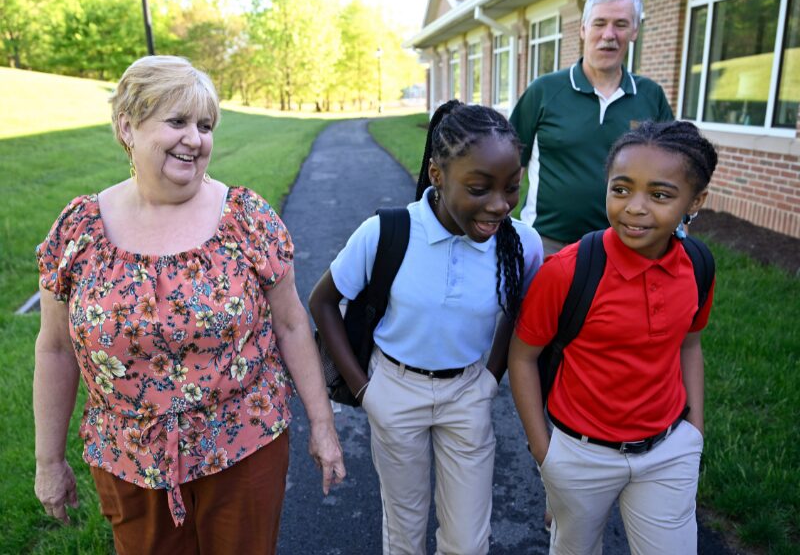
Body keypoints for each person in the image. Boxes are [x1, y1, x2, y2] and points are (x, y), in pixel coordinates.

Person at [33, 55, 345, 554]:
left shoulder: (245, 218)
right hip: (130, 460)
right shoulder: (80, 231)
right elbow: (54, 350)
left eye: (204, 125)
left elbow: (289, 323)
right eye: (176, 122)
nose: (195, 139)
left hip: (244, 447)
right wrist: (49, 461)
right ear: (127, 128)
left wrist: (323, 425)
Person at [309, 101, 543, 554]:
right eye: (479, 188)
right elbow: (322, 302)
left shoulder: (521, 244)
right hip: (394, 391)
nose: (499, 205)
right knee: (405, 531)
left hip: (467, 394)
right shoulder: (385, 232)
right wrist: (364, 392)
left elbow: (520, 313)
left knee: (468, 542)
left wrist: (490, 378)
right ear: (437, 174)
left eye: (512, 188)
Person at [508, 120, 718, 554]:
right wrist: (545, 454)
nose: (635, 208)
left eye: (659, 195)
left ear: (695, 201)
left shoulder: (697, 265)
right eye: (621, 189)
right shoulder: (568, 271)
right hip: (579, 457)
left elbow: (689, 344)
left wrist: (694, 432)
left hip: (668, 450)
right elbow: (523, 358)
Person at [510, 0, 674, 255]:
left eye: (620, 24)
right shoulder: (544, 91)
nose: (609, 34)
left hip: (624, 246)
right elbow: (511, 165)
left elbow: (672, 171)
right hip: (546, 243)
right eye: (599, 23)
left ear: (634, 31)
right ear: (584, 29)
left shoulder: (650, 96)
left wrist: (678, 231)